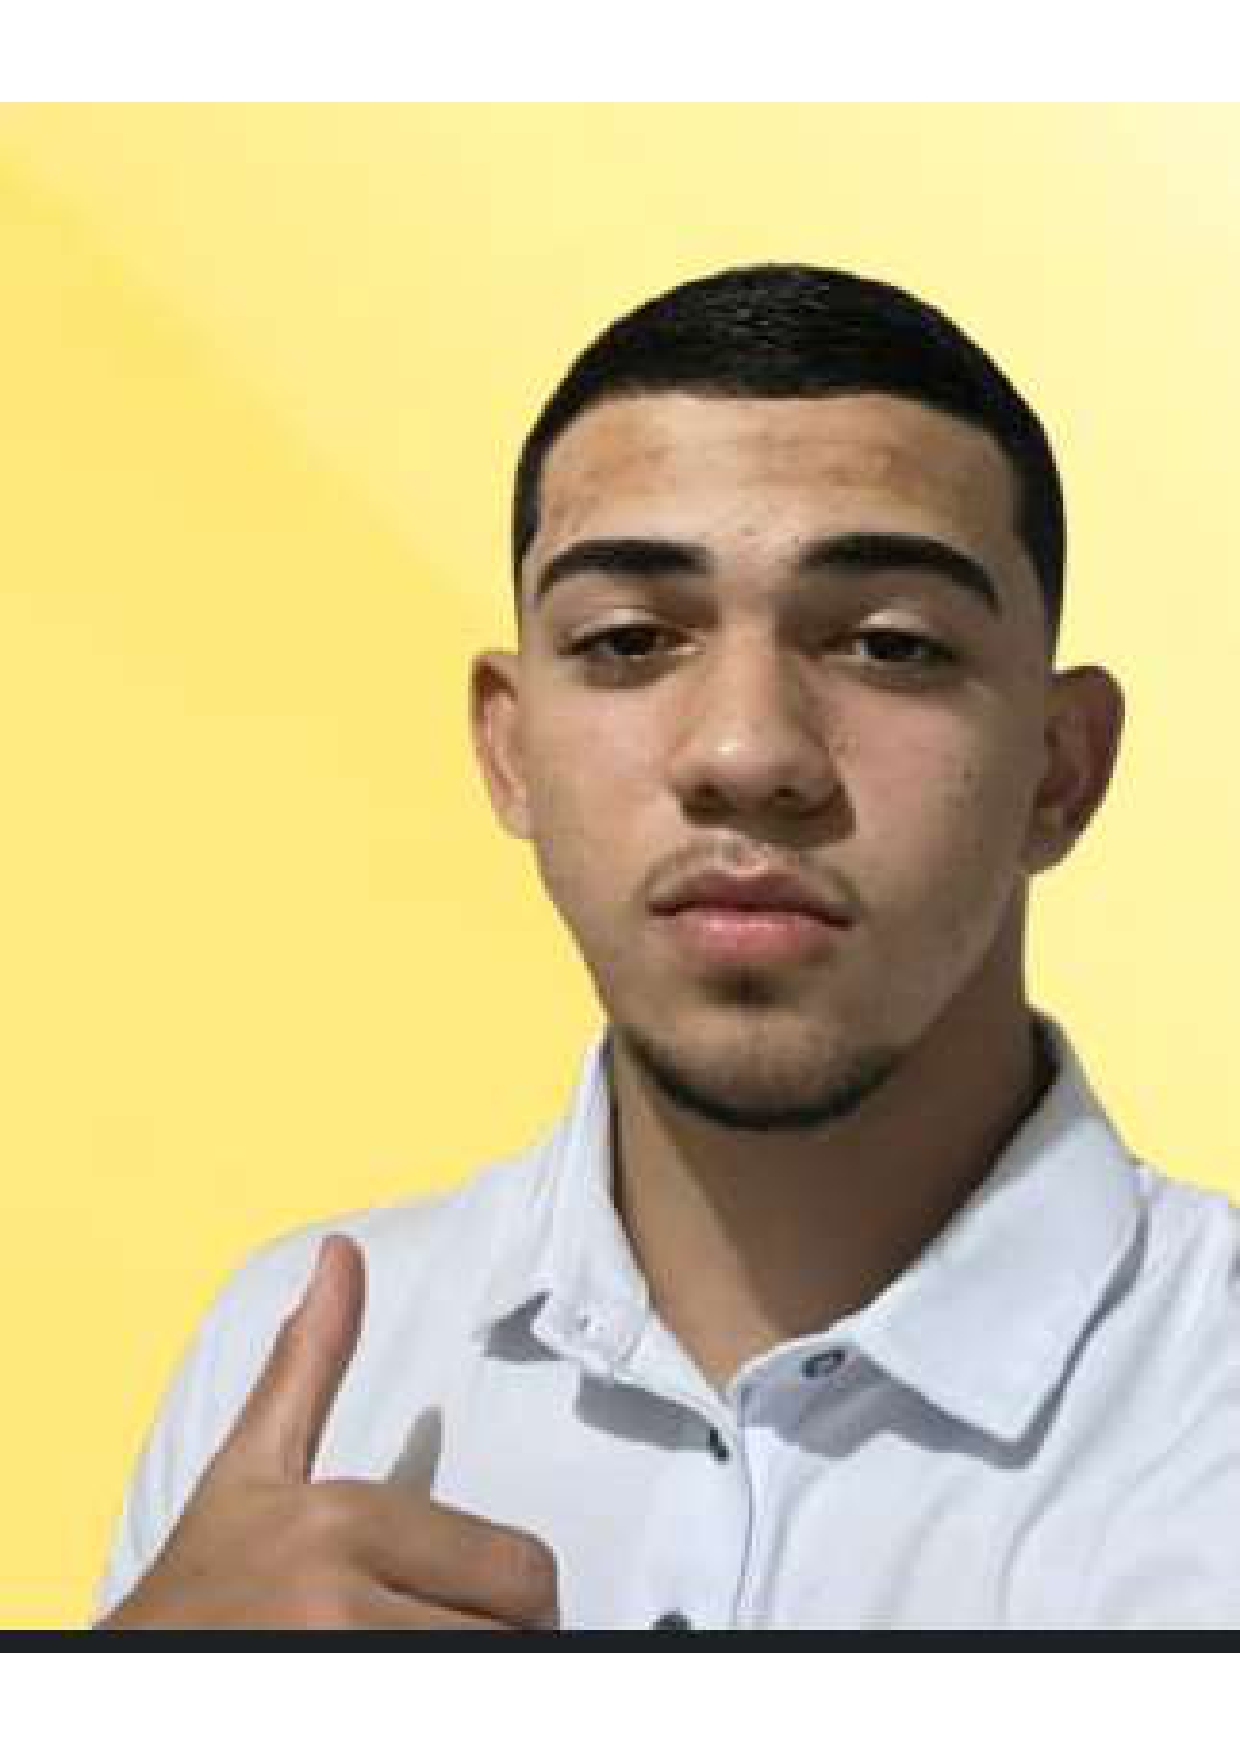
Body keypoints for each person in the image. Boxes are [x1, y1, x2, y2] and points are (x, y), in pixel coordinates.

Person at [94, 263, 1240, 1632]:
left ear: (1061, 769)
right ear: (510, 750)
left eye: (889, 644)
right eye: (631, 639)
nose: (746, 752)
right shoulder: (286, 1377)